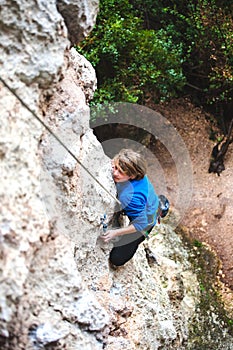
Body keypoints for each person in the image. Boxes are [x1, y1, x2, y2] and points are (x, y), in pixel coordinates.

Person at [100, 148, 159, 266]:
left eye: (121, 172)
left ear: (132, 175)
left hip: (147, 221)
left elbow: (141, 224)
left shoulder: (128, 196)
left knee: (117, 259)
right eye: (115, 167)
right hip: (149, 202)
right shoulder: (136, 170)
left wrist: (114, 233)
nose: (115, 173)